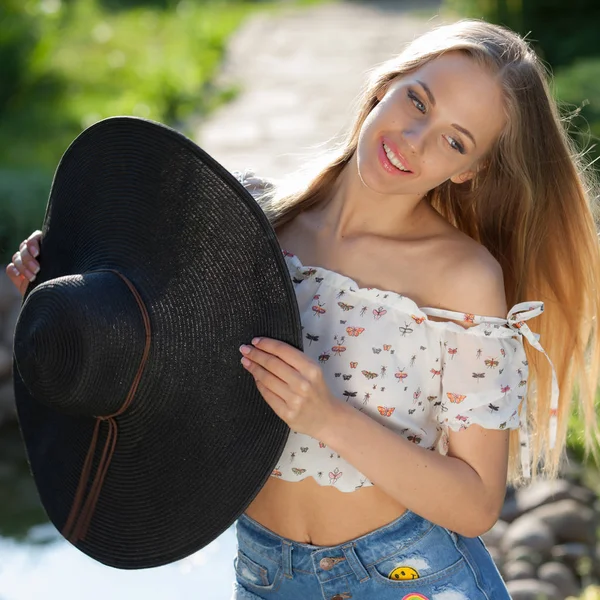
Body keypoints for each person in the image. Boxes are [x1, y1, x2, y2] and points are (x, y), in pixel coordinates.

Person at [7, 18, 600, 600]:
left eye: (453, 140)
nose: (414, 140)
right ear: (384, 86)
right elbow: (149, 334)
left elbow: (475, 505)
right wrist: (66, 267)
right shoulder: (254, 222)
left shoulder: (462, 277)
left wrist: (329, 418)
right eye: (417, 101)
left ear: (470, 170)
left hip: (405, 579)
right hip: (263, 573)